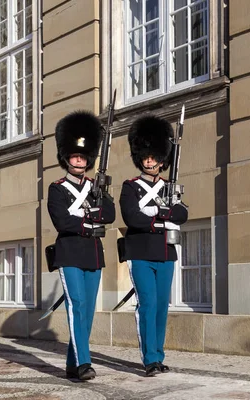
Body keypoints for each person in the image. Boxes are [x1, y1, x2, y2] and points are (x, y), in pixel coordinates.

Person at [47, 110, 115, 381]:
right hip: (70, 253)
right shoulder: (57, 188)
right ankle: (85, 363)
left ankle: (73, 364)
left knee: (86, 310)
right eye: (74, 155)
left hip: (93, 255)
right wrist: (89, 218)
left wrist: (90, 209)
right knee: (75, 305)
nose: (79, 159)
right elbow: (62, 221)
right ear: (66, 157)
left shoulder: (95, 186)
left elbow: (108, 215)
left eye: (83, 156)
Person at [119, 115, 188, 377]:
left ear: (162, 158)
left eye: (154, 155)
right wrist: (162, 216)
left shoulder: (169, 187)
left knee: (161, 306)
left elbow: (181, 214)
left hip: (166, 253)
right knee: (147, 305)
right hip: (141, 253)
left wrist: (158, 215)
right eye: (145, 155)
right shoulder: (131, 187)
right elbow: (131, 217)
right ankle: (149, 358)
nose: (149, 160)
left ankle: (159, 356)